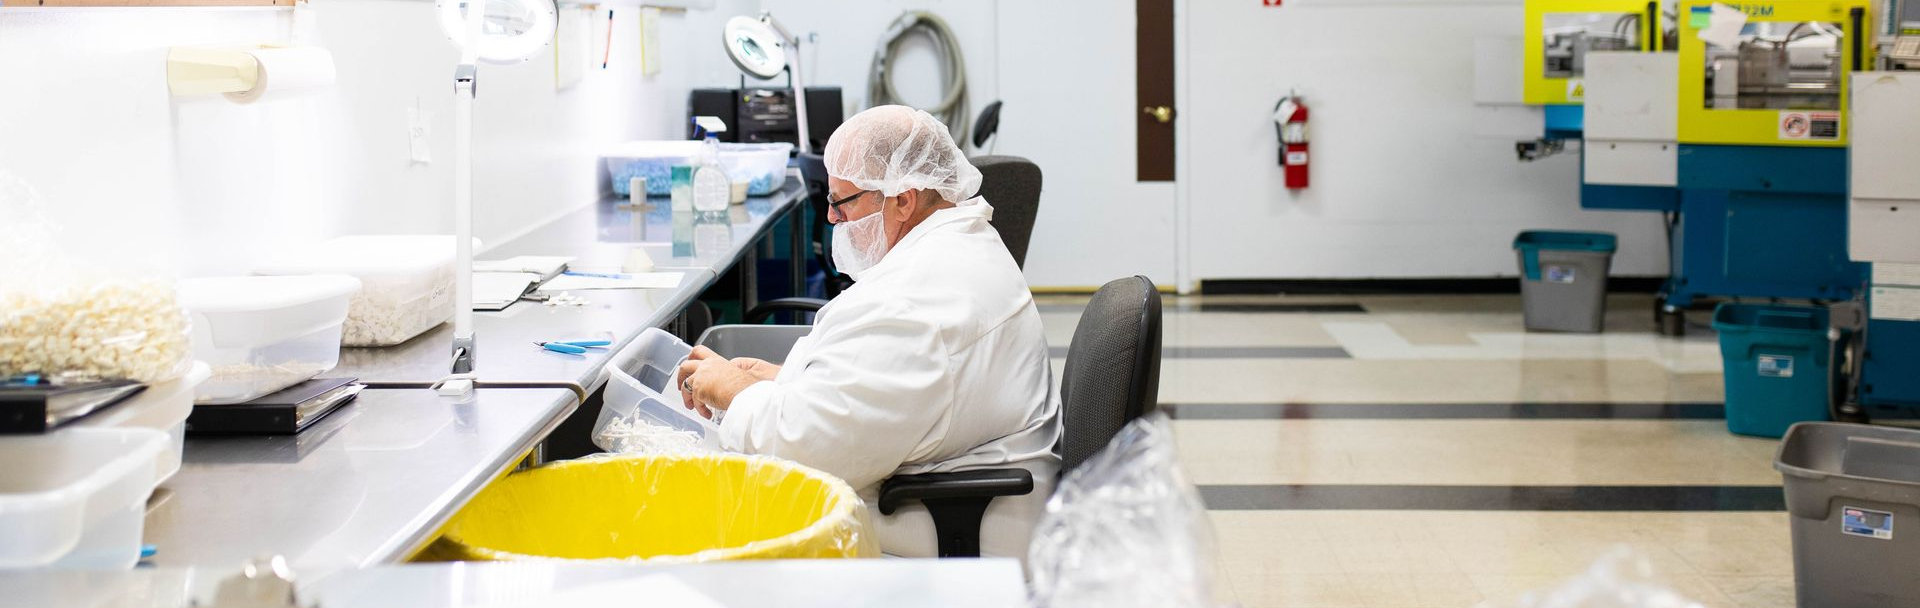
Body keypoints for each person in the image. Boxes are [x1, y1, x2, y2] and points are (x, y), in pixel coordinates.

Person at [675, 105, 1060, 558]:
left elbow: (797, 450)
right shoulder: (956, 244)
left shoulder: (913, 308)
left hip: (937, 529)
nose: (833, 219)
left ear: (902, 199)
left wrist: (736, 392)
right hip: (937, 483)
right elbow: (873, 388)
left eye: (842, 202)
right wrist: (784, 381)